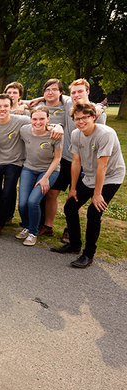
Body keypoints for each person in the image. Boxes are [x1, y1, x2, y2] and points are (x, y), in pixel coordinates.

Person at [51, 101, 125, 268]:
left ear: (94, 117)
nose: (81, 121)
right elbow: (76, 162)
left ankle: (88, 254)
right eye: (77, 119)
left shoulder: (105, 134)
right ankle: (74, 245)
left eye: (85, 118)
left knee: (94, 213)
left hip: (111, 176)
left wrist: (97, 194)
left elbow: (103, 166)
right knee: (70, 207)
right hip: (91, 175)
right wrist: (73, 188)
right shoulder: (77, 134)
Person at [0, 94, 63, 238]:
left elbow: (40, 120)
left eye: (6, 106)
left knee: (8, 193)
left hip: (15, 162)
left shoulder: (21, 120)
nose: (2, 109)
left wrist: (59, 126)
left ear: (11, 107)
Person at [40, 78, 107, 240]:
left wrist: (100, 107)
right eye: (73, 92)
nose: (76, 95)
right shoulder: (69, 103)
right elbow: (52, 97)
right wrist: (37, 99)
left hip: (85, 163)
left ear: (88, 92)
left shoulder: (98, 114)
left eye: (80, 91)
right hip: (65, 158)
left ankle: (70, 230)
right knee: (52, 193)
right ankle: (48, 226)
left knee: (75, 196)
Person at [15, 106, 62, 246]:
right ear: (30, 120)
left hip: (49, 171)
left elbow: (58, 158)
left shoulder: (55, 134)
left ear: (48, 119)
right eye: (35, 119)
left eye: (42, 119)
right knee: (22, 203)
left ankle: (33, 233)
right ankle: (26, 227)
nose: (38, 122)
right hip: (29, 168)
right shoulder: (24, 130)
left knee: (33, 201)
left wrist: (46, 177)